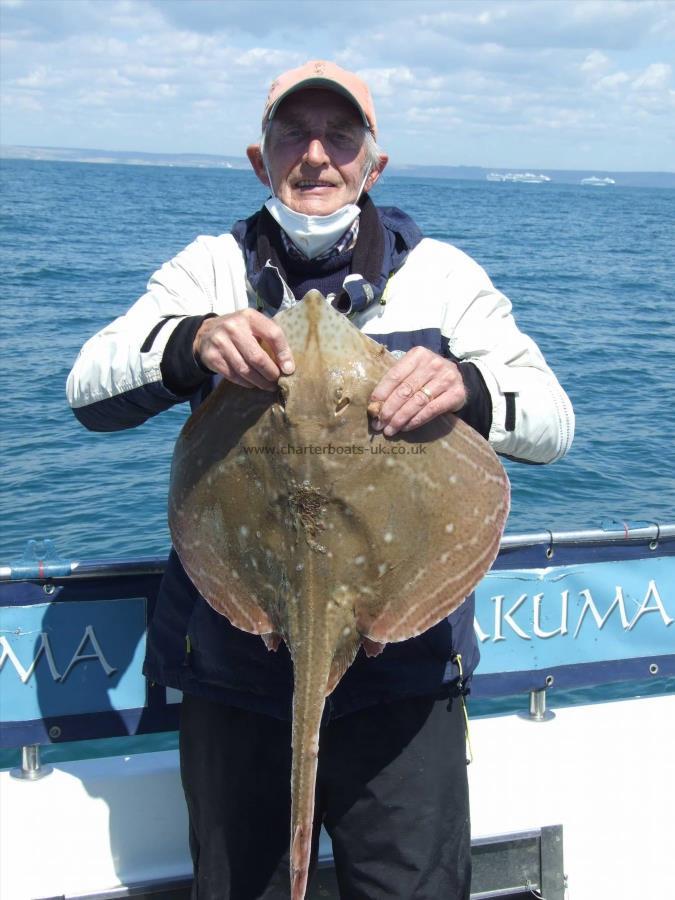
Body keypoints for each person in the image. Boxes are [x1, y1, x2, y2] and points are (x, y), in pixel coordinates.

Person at [67, 60, 574, 900]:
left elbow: (552, 424)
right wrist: (189, 343)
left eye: (340, 136)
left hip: (406, 679)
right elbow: (89, 390)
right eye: (290, 136)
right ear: (257, 159)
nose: (315, 155)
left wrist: (470, 388)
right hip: (234, 670)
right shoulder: (208, 270)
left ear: (374, 165)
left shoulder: (444, 279)